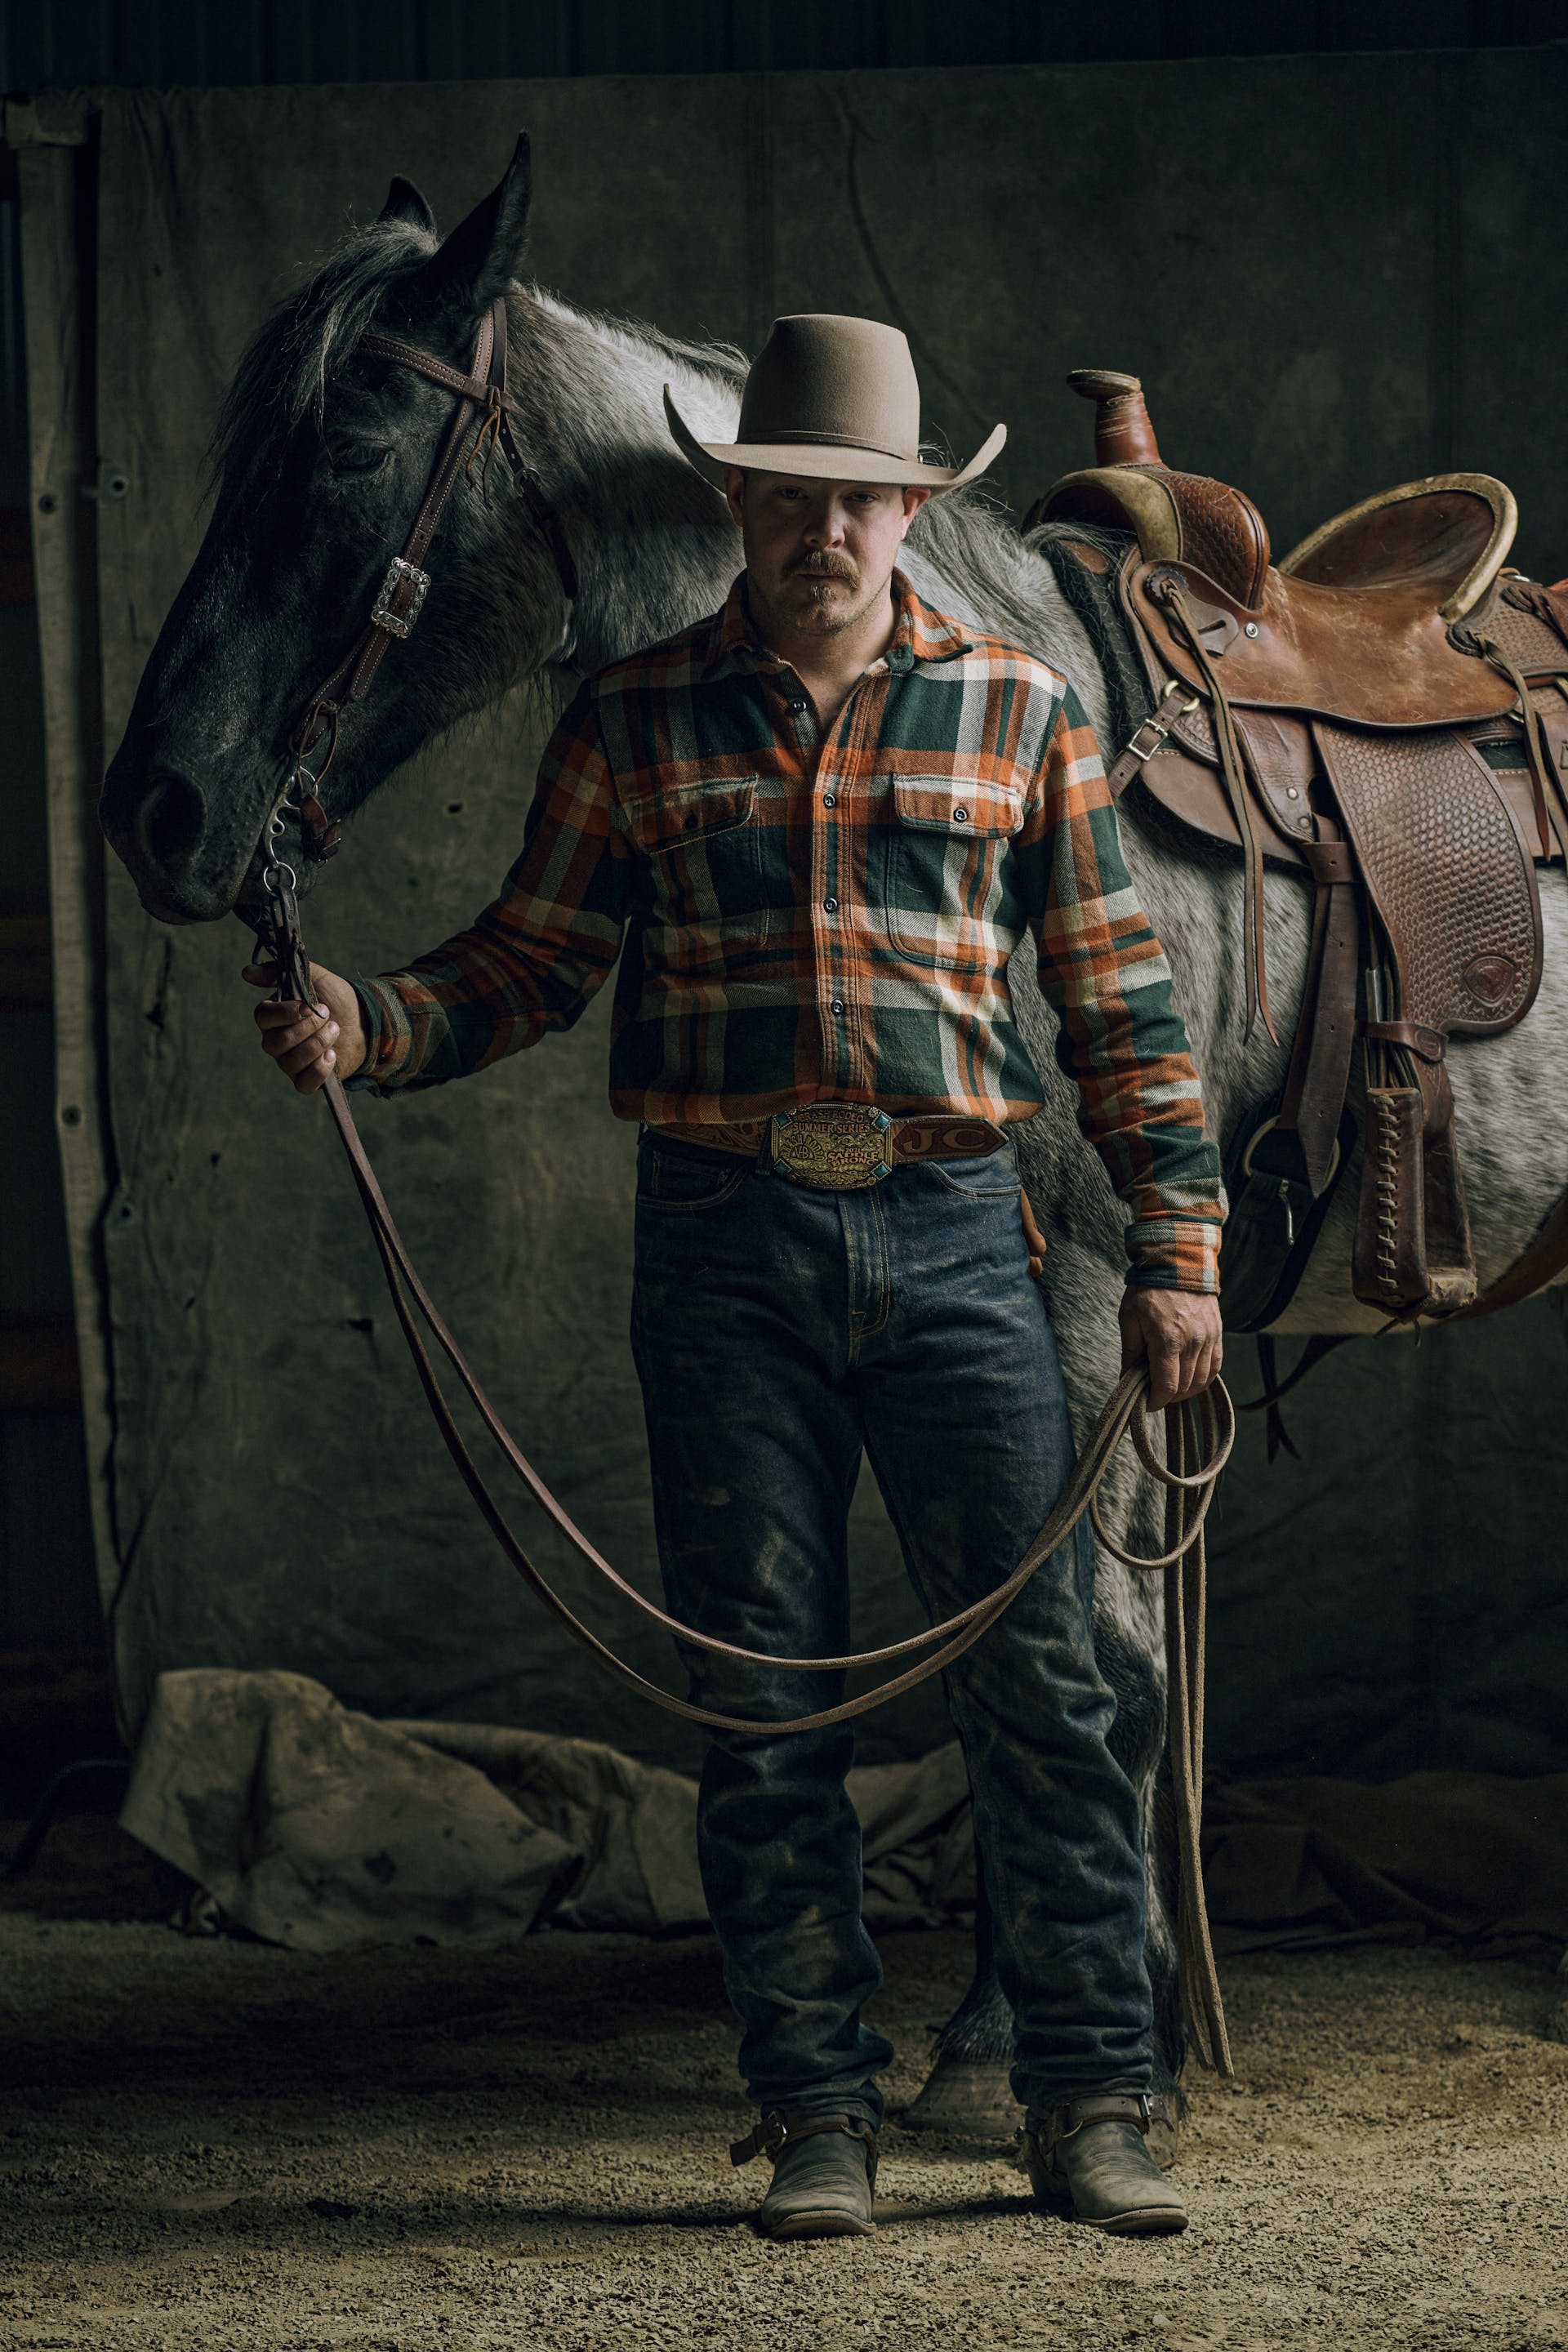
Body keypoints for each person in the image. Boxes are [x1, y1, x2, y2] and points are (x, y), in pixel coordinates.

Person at [248, 314, 1225, 2243]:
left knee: (1043, 1679)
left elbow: (1126, 1011)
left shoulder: (1024, 710)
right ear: (740, 506)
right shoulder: (632, 718)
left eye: (861, 499)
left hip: (963, 1238)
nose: (828, 531)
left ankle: (1091, 2095)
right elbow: (527, 964)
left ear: (909, 512)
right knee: (764, 1700)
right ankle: (814, 2117)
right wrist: (372, 1020)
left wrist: (1180, 1252)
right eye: (791, 498)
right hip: (723, 1250)